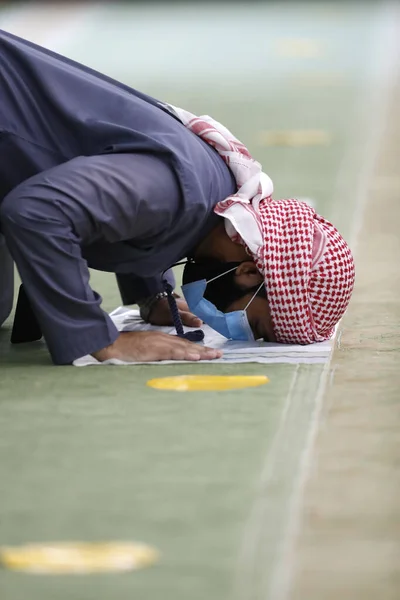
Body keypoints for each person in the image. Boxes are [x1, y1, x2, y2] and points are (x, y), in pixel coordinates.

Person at [0, 29, 355, 365]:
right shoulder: (173, 188)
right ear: (248, 271)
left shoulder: (211, 200)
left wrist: (152, 293)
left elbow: (130, 216)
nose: (238, 332)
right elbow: (38, 212)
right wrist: (99, 339)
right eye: (255, 326)